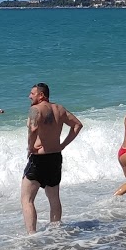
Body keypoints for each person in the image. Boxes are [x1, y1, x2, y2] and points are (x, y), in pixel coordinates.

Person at [22, 83, 84, 231]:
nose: (29, 96)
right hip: (55, 157)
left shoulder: (35, 109)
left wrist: (30, 147)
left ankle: (32, 235)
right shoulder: (59, 109)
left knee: (27, 199)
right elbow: (77, 125)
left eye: (32, 93)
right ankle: (56, 232)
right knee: (54, 198)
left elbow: (33, 129)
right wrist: (63, 145)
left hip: (39, 159)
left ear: (41, 95)